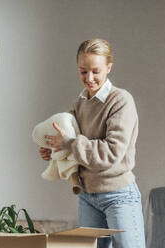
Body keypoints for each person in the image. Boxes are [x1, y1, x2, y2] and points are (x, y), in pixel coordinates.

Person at [39, 38, 145, 248]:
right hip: (88, 196)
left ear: (108, 68)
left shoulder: (121, 101)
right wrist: (54, 150)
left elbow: (110, 153)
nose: (89, 78)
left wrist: (68, 143)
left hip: (119, 194)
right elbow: (72, 145)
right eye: (83, 71)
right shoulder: (79, 104)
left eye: (96, 71)